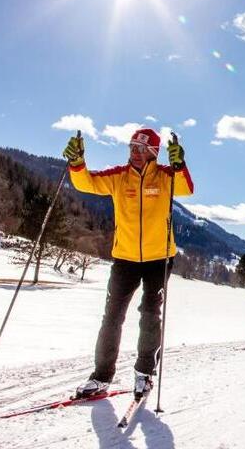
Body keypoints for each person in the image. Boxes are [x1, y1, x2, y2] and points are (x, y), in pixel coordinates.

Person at [62, 128, 194, 398]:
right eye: (132, 147)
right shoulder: (119, 176)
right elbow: (87, 183)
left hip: (159, 259)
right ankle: (101, 376)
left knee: (150, 315)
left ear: (154, 153)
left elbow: (186, 188)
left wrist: (179, 164)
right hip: (125, 258)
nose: (135, 152)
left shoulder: (166, 176)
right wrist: (77, 162)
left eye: (142, 148)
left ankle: (144, 374)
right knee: (112, 316)